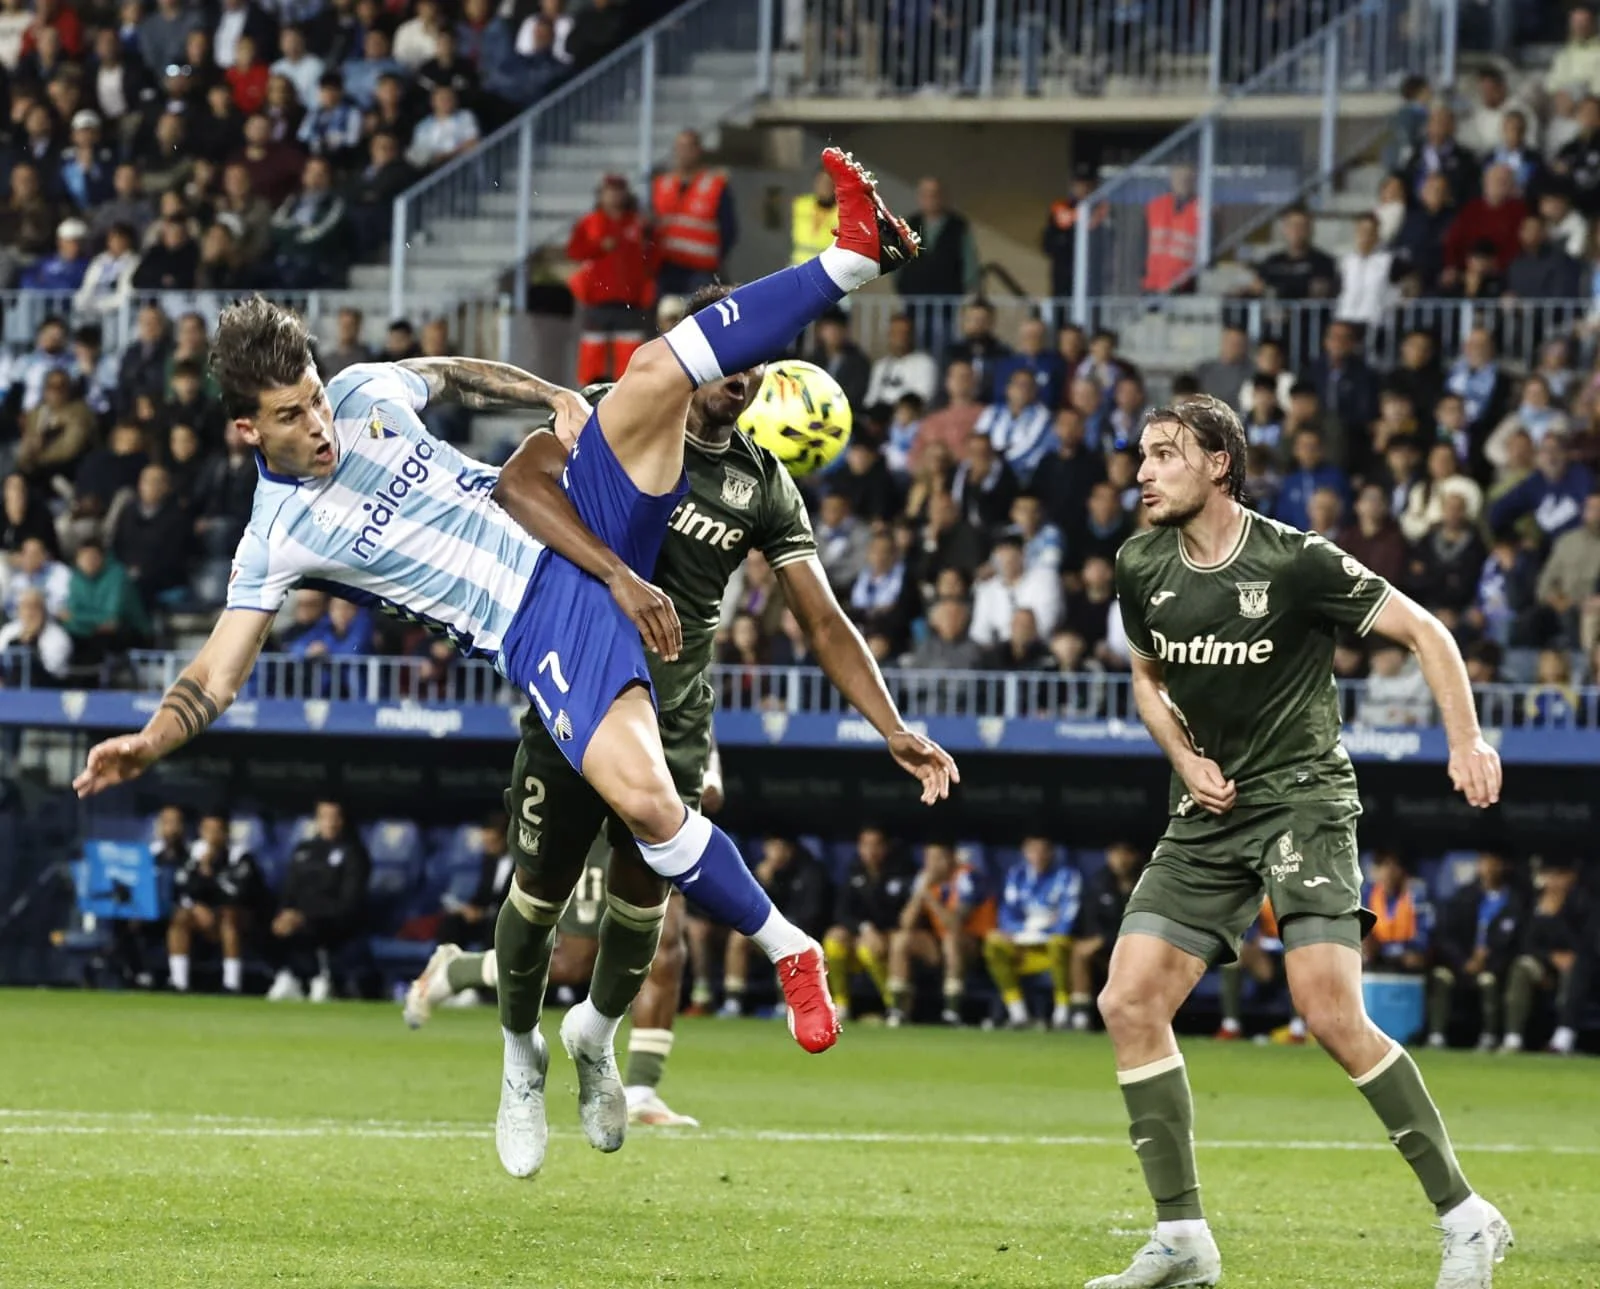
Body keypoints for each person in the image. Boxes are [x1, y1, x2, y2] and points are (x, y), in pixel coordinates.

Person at [73, 150, 953, 1167]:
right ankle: (773, 952)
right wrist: (149, 737)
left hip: (574, 516)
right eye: (290, 417)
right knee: (653, 806)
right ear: (245, 429)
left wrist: (550, 392)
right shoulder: (275, 534)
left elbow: (447, 374)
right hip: (535, 621)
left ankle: (853, 251)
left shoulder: (362, 391)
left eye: (314, 398)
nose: (318, 424)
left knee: (660, 368)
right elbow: (217, 672)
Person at [407, 362, 955, 1129]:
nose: (743, 380)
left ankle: (600, 1042)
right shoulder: (614, 413)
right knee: (539, 901)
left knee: (645, 916)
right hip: (577, 682)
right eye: (731, 363)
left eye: (756, 371)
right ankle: (515, 1053)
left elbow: (824, 621)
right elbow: (517, 485)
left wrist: (891, 725)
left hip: (675, 714)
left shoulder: (763, 485)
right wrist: (618, 574)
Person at [1093, 394, 1509, 1288]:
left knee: (1326, 1010)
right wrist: (1181, 755)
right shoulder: (1138, 562)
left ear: (1219, 464)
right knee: (1127, 1002)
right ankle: (1182, 1241)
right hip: (1205, 808)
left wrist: (1466, 738)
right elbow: (1145, 677)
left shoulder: (1295, 560)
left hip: (1302, 800)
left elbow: (1428, 632)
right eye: (1140, 455)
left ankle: (1468, 1217)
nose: (1142, 471)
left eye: (1164, 454)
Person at [982, 835, 1081, 1029]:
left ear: (1051, 853)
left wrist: (1042, 928)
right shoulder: (1017, 875)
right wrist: (1033, 926)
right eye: (1033, 850)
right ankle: (1017, 1013)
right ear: (1025, 853)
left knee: (1059, 943)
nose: (1038, 856)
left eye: (1043, 850)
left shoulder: (1068, 876)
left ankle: (1061, 1014)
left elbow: (1068, 917)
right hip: (1022, 945)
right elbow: (1008, 914)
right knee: (993, 943)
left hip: (1052, 946)